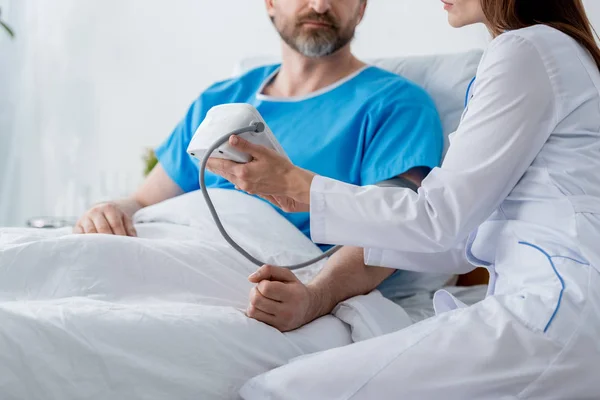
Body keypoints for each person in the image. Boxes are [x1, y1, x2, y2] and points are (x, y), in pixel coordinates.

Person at [209, 0, 600, 397]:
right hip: (567, 311)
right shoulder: (555, 51)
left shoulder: (527, 51)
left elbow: (437, 220)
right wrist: (315, 282)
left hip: (557, 308)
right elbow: (461, 234)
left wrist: (301, 186)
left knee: (277, 390)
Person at [74, 0, 451, 331]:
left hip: (264, 274)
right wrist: (112, 210)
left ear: (362, 7)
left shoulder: (395, 104)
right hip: (175, 249)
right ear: (270, 2)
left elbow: (393, 229)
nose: (320, 5)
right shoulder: (222, 99)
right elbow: (143, 201)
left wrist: (315, 297)